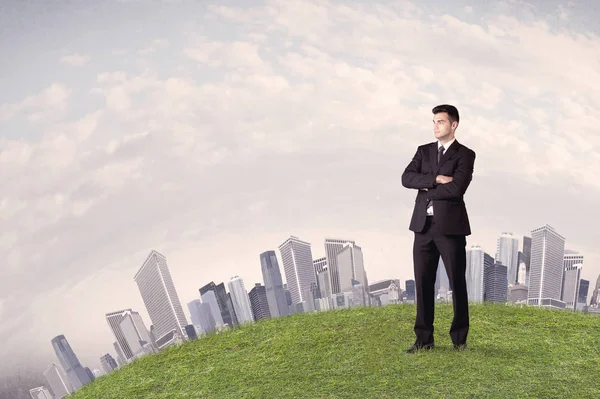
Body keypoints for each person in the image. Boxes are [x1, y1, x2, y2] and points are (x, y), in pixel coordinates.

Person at [401, 104, 476, 353]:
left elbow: (457, 189)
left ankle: (459, 340)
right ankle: (424, 340)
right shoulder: (423, 151)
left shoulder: (465, 154)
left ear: (453, 125)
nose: (435, 126)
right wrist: (435, 179)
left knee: (457, 283)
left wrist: (425, 186)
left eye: (440, 122)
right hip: (422, 226)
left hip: (450, 228)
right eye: (433, 121)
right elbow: (406, 178)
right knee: (422, 283)